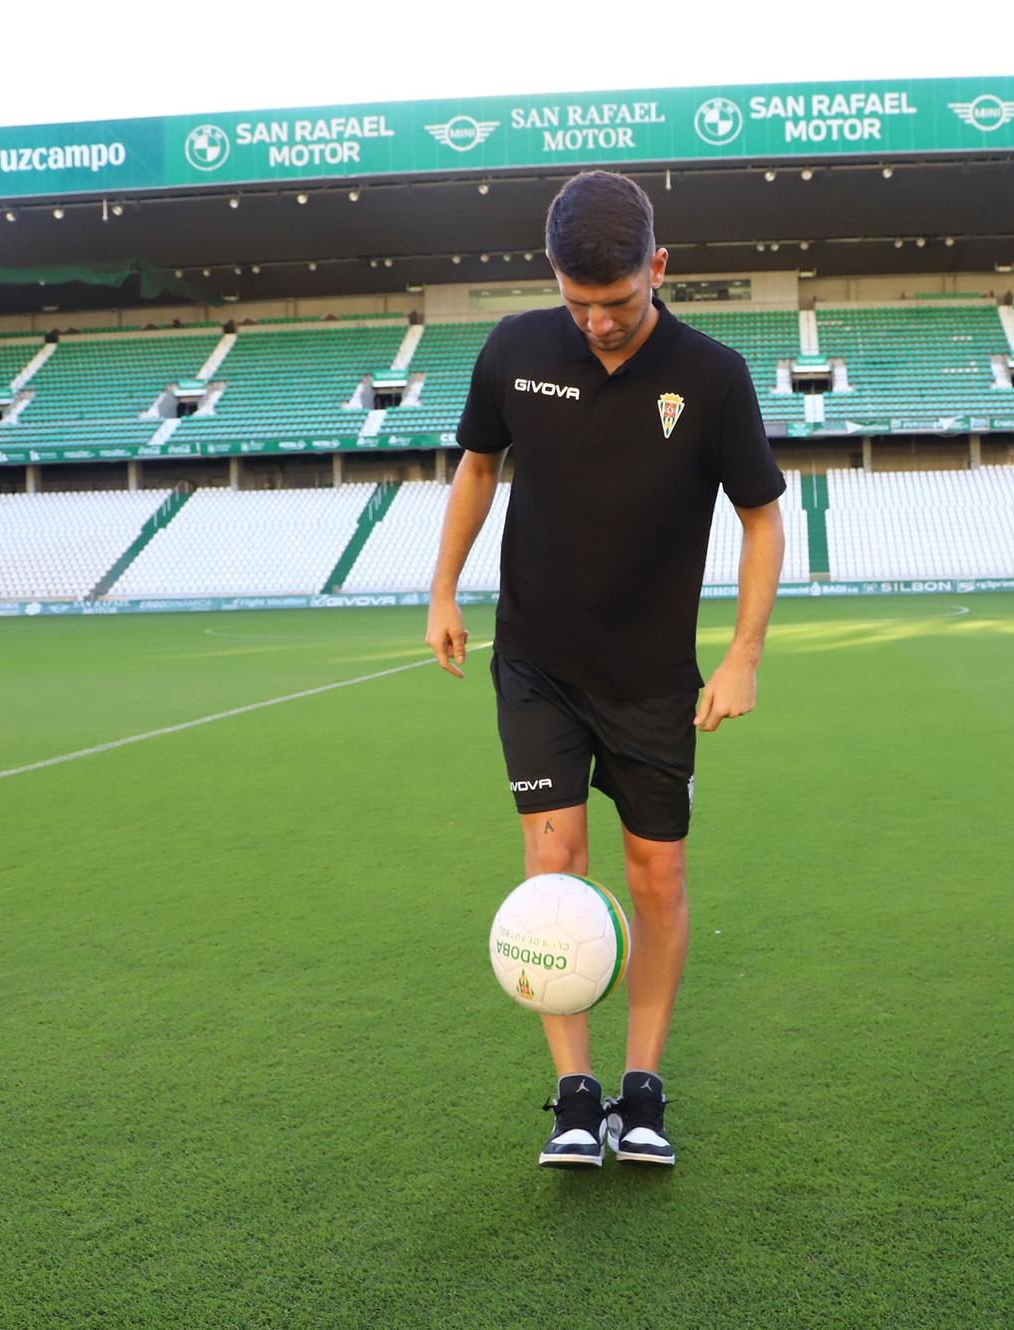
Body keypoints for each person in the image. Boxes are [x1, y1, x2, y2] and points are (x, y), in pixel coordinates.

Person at [425, 171, 786, 1169]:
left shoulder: (711, 377)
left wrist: (743, 653)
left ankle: (642, 1087)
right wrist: (442, 587)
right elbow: (477, 465)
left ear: (658, 269)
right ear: (552, 281)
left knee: (656, 874)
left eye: (618, 303)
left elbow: (762, 516)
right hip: (537, 662)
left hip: (651, 678)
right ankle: (574, 1098)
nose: (597, 324)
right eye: (578, 303)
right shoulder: (512, 349)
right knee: (553, 872)